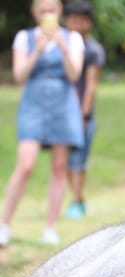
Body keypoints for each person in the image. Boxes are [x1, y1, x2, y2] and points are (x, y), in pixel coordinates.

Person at [1, 0, 84, 247]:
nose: (47, 14)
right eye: (42, 11)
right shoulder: (24, 38)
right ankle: (4, 223)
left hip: (63, 105)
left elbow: (74, 74)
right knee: (26, 164)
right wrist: (37, 50)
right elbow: (19, 76)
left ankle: (50, 227)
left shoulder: (72, 38)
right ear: (35, 13)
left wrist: (60, 42)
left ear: (59, 11)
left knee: (60, 167)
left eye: (52, 10)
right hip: (33, 105)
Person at [62, 0, 104, 220]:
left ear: (88, 22)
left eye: (81, 20)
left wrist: (84, 114)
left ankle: (77, 200)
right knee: (64, 159)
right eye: (73, 20)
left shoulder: (94, 50)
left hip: (80, 112)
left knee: (78, 159)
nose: (77, 25)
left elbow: (91, 85)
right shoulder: (60, 44)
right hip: (61, 111)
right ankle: (76, 197)